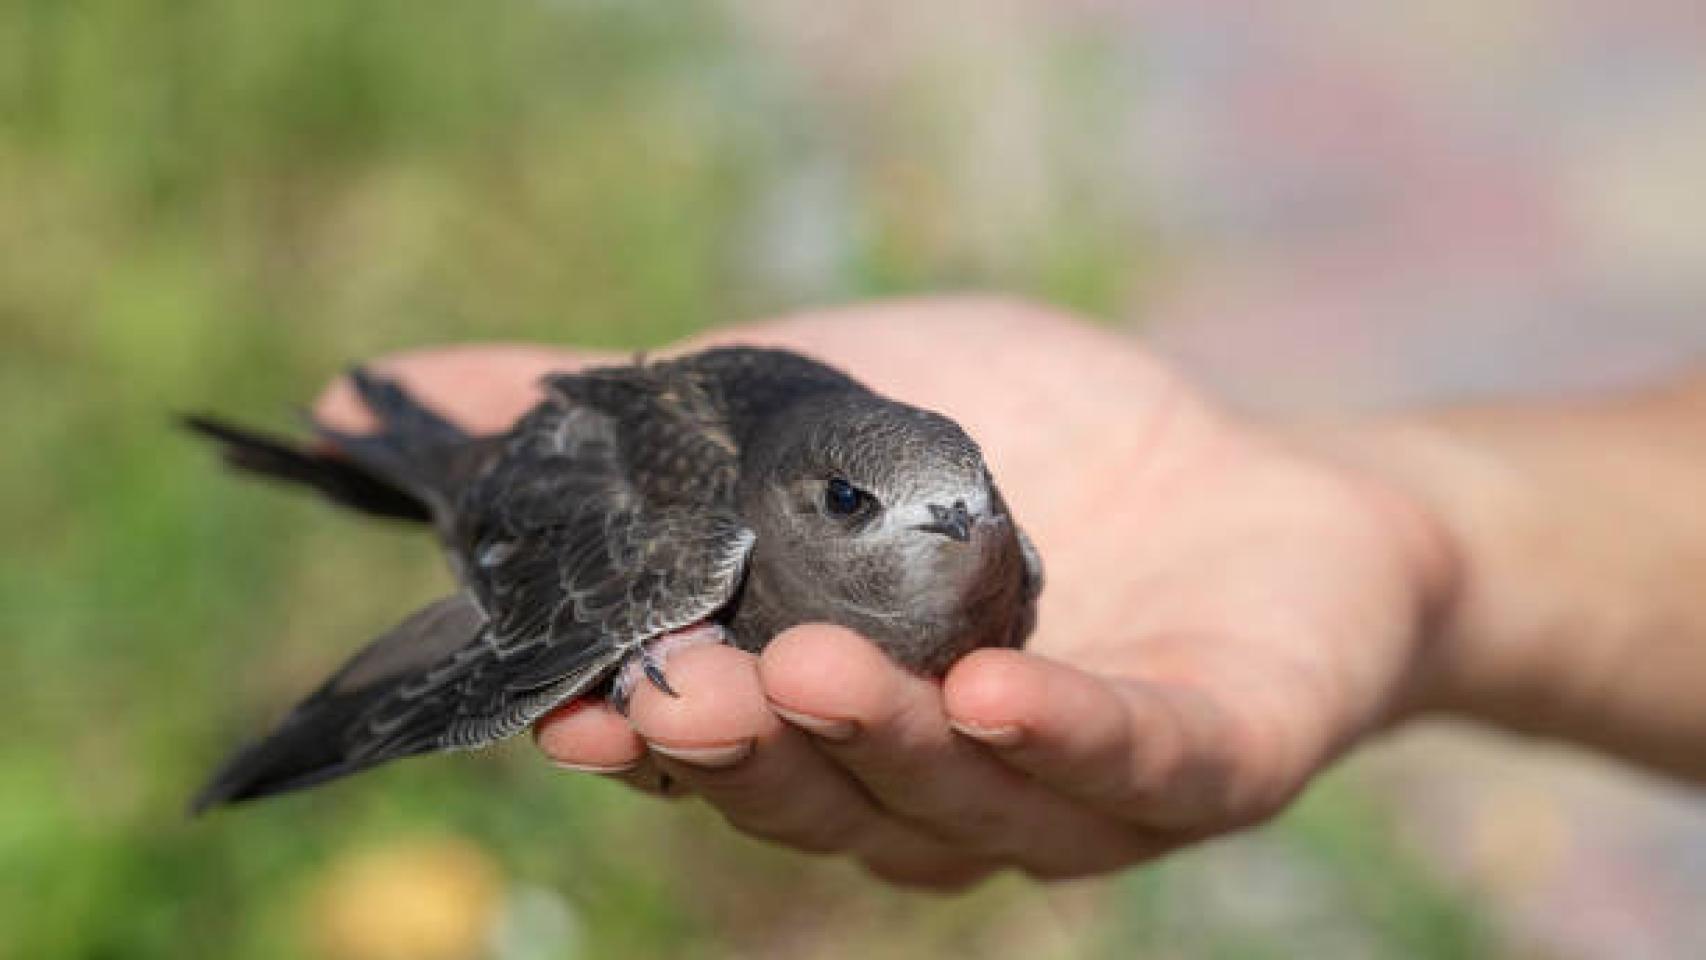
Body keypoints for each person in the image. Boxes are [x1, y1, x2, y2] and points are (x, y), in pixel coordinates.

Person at [315, 297, 1706, 888]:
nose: (963, 532)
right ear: (806, 510)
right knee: (557, 647)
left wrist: (1421, 543)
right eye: (873, 513)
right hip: (590, 472)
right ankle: (407, 457)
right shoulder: (692, 539)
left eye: (971, 500)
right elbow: (527, 609)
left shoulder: (993, 555)